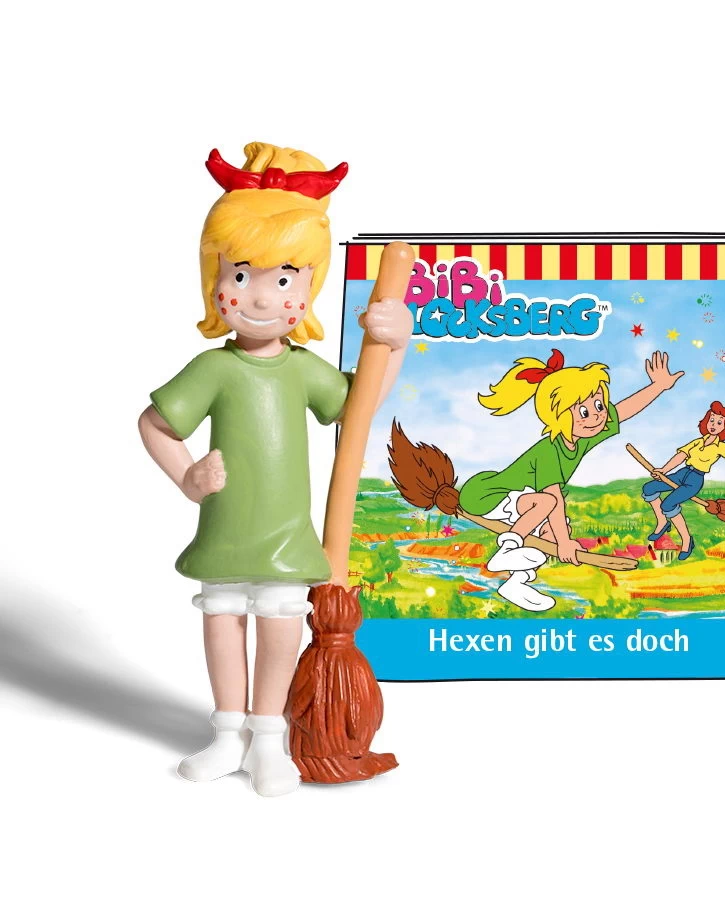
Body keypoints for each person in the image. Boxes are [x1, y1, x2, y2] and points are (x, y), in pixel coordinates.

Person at [138, 143, 412, 796]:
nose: (259, 296)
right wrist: (188, 477)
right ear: (213, 279)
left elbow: (359, 406)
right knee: (222, 620)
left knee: (282, 625)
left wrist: (396, 341)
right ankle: (227, 734)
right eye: (240, 274)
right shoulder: (213, 369)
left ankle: (268, 737)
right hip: (226, 532)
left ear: (309, 288)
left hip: (287, 540)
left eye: (284, 278)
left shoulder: (301, 371)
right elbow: (155, 424)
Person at [458, 349, 683, 611]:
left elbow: (623, 410)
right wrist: (565, 543)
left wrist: (658, 387)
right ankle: (507, 550)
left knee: (552, 531)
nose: (597, 416)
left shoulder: (583, 437)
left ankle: (516, 583)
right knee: (547, 506)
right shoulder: (549, 451)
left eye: (599, 405)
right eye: (583, 411)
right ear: (558, 416)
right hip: (485, 495)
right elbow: (552, 497)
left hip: (517, 501)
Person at [641, 401, 725, 560]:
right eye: (712, 420)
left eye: (719, 423)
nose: (714, 425)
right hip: (682, 473)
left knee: (668, 504)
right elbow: (681, 456)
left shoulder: (720, 447)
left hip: (695, 480)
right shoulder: (698, 442)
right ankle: (662, 522)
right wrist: (663, 470)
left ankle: (687, 541)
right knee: (649, 488)